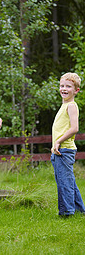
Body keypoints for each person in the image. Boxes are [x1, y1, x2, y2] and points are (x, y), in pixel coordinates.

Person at [51, 72, 85, 217]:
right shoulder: (64, 105)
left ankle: (67, 213)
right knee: (68, 181)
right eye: (62, 86)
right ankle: (79, 210)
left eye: (68, 86)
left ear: (76, 90)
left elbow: (74, 128)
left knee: (64, 183)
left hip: (64, 150)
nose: (64, 89)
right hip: (59, 150)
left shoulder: (71, 106)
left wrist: (58, 141)